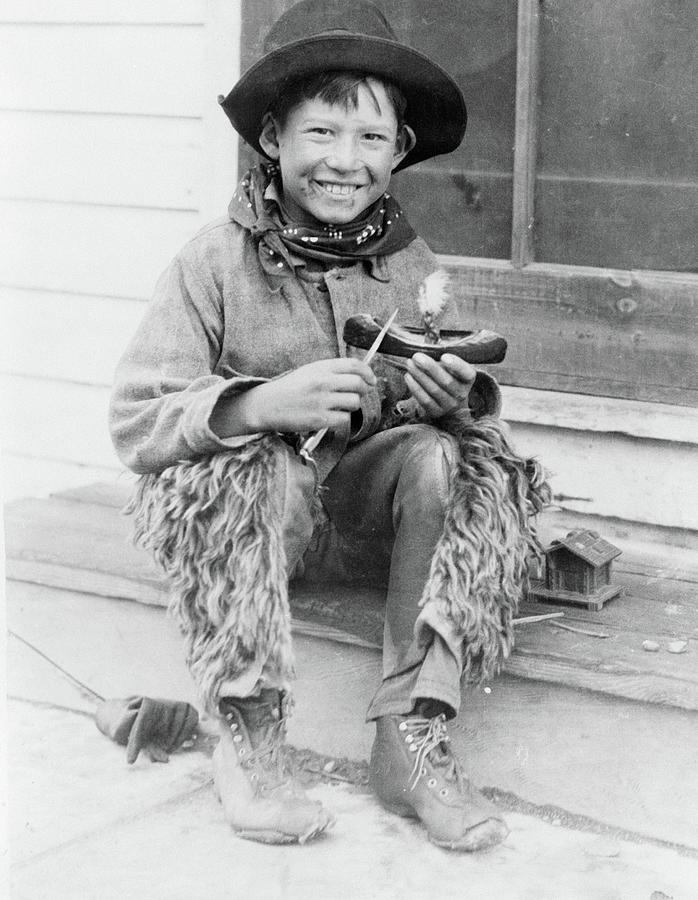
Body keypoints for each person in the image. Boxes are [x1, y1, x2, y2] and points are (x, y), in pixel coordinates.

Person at [110, 0, 548, 852]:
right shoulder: (212, 263)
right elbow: (136, 419)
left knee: (447, 458)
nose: (345, 162)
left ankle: (411, 736)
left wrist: (444, 401)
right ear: (273, 138)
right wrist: (257, 405)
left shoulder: (409, 265)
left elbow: (435, 397)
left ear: (401, 152)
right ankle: (249, 728)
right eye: (321, 133)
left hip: (370, 530)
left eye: (371, 139)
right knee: (258, 466)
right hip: (252, 545)